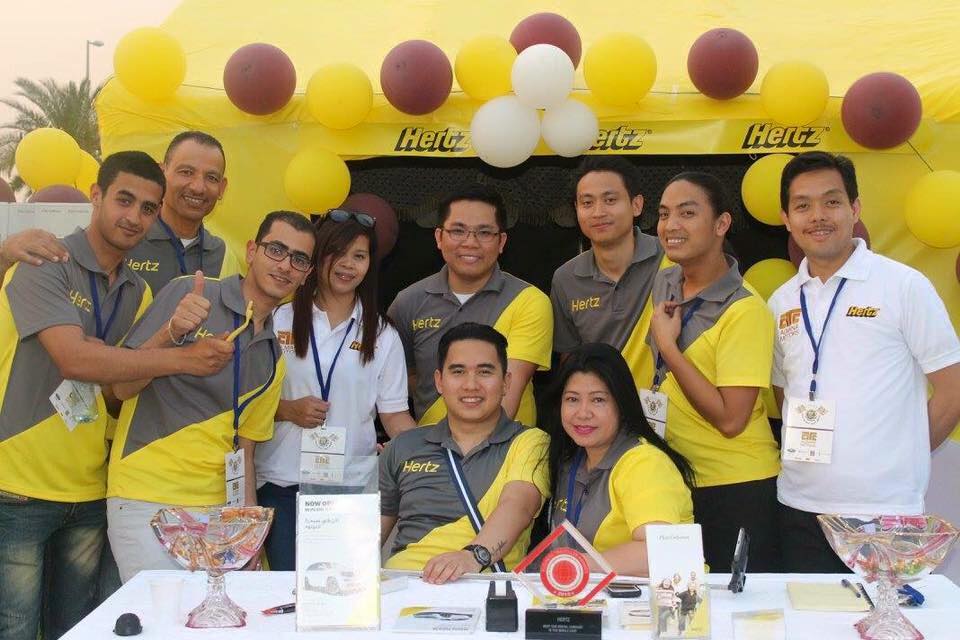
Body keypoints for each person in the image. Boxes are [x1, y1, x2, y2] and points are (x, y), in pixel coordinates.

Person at [0, 151, 233, 640]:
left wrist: (170, 333)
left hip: (91, 490)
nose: (134, 217)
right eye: (124, 200)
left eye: (148, 208)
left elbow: (117, 390)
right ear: (96, 195)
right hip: (17, 487)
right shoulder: (43, 263)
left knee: (78, 629)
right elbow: (75, 360)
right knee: (15, 628)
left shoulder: (138, 291)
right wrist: (182, 359)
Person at [770, 152, 960, 572]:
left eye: (832, 202)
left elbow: (953, 388)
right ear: (786, 218)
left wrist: (903, 453)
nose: (817, 216)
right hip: (799, 507)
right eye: (802, 205)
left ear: (855, 209)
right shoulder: (781, 301)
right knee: (809, 614)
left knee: (883, 615)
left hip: (884, 512)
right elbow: (786, 392)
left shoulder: (903, 285)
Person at [105, 211, 317, 582]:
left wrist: (249, 530)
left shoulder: (273, 357)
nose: (285, 265)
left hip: (218, 511)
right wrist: (172, 332)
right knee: (160, 614)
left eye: (298, 259)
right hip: (147, 498)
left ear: (306, 274)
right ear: (251, 251)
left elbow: (245, 450)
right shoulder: (192, 292)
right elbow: (120, 388)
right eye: (276, 250)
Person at [255, 208, 415, 570]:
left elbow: (394, 415)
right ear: (316, 257)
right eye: (336, 253)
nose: (347, 265)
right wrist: (287, 410)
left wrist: (427, 456)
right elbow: (244, 403)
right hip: (282, 482)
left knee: (341, 590)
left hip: (352, 487)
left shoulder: (382, 334)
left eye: (359, 256)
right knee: (287, 588)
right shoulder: (278, 319)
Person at [648, 172, 781, 572]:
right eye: (664, 214)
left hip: (736, 487)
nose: (671, 225)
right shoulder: (666, 281)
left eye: (687, 213)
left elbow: (731, 420)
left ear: (722, 223)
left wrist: (669, 349)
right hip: (676, 480)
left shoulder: (745, 310)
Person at [379, 322, 550, 583]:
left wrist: (473, 557)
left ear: (506, 382)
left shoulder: (531, 442)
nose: (471, 385)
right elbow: (369, 536)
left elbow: (519, 506)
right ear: (439, 381)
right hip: (403, 587)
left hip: (485, 588)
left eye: (485, 372)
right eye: (458, 372)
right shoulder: (404, 445)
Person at [388, 186, 552, 427]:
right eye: (458, 231)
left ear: (501, 241)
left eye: (484, 232)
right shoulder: (408, 302)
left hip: (507, 447)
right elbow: (402, 380)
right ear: (439, 237)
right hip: (431, 447)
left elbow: (508, 394)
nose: (470, 243)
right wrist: (418, 443)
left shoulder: (529, 301)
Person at [0, 130, 240, 292]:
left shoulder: (222, 254)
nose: (198, 187)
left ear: (222, 188)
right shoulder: (122, 232)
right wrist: (5, 254)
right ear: (162, 173)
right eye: (186, 172)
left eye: (211, 177)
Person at [545, 343, 694, 576]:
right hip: (589, 593)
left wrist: (573, 567)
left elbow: (660, 551)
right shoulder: (571, 459)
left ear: (622, 404)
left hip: (658, 596)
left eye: (598, 400)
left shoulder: (645, 463)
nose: (583, 413)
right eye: (572, 399)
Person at [551, 156, 668, 387]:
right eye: (587, 203)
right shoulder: (565, 278)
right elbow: (570, 359)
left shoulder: (671, 258)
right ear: (576, 210)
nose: (598, 212)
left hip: (673, 403)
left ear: (637, 205)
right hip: (602, 404)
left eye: (610, 200)